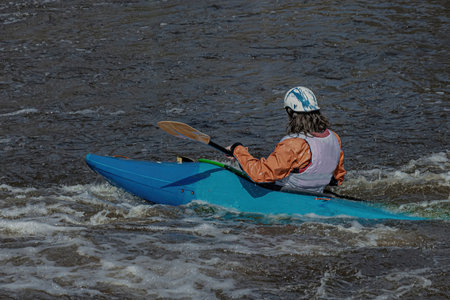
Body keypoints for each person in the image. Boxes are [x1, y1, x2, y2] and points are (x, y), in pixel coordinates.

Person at [227, 86, 346, 193]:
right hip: (316, 194)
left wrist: (237, 149)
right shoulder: (334, 138)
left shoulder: (294, 145)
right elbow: (337, 179)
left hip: (290, 195)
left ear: (290, 112)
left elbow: (260, 174)